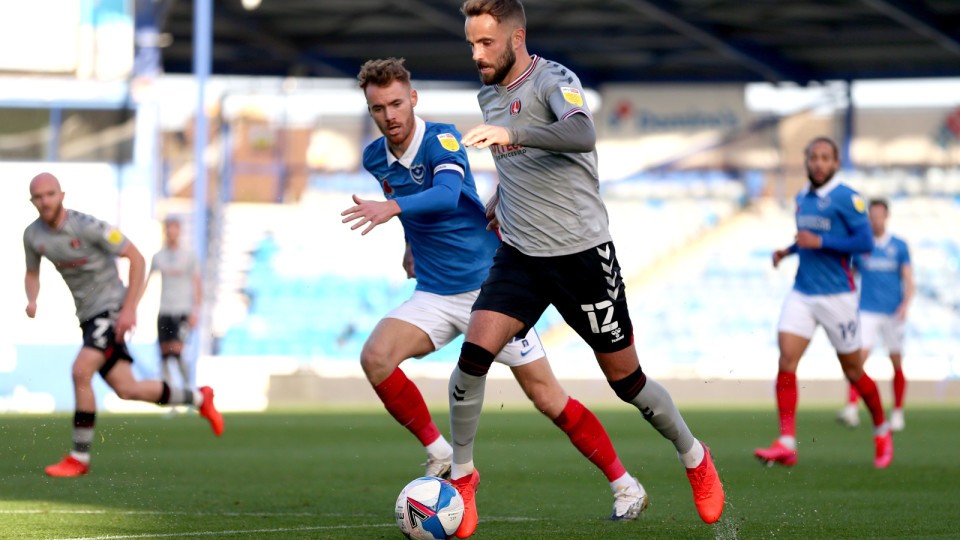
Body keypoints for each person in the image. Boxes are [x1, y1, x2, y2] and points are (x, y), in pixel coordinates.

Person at [446, 1, 725, 536]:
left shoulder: (555, 80)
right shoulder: (488, 95)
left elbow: (580, 135)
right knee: (473, 357)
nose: (476, 54)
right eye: (471, 44)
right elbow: (521, 165)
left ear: (516, 38)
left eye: (485, 43)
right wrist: (502, 197)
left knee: (628, 382)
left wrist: (511, 134)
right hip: (522, 257)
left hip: (582, 257)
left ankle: (694, 456)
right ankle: (462, 478)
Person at [341, 57, 647, 522]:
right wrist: (408, 245)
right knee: (375, 357)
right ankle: (441, 453)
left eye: (397, 103)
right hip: (435, 292)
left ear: (413, 99)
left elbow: (446, 194)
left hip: (491, 294)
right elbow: (411, 205)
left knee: (547, 398)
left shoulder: (442, 138)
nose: (390, 115)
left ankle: (625, 484)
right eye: (379, 108)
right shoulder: (374, 157)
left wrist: (392, 209)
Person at [23, 172, 223, 478]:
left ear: (61, 195)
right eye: (39, 197)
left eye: (50, 194)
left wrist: (129, 308)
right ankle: (199, 397)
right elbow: (32, 272)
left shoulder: (88, 227)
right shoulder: (33, 236)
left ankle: (79, 457)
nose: (45, 201)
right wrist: (32, 299)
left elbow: (136, 257)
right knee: (128, 389)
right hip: (88, 317)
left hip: (111, 309)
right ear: (32, 201)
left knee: (81, 371)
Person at [755, 137, 893, 469]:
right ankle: (787, 443)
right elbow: (806, 240)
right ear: (806, 161)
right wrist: (787, 251)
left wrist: (821, 241)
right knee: (787, 360)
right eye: (813, 157)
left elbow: (865, 242)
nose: (818, 163)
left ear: (835, 163)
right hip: (803, 291)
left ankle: (881, 429)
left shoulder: (848, 198)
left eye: (825, 157)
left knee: (853, 371)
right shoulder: (802, 197)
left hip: (838, 296)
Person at [837, 199, 913, 431]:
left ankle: (897, 412)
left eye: (879, 215)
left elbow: (908, 279)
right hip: (867, 311)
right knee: (858, 360)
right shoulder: (862, 246)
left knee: (896, 361)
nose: (876, 220)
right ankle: (851, 408)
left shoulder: (899, 246)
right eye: (872, 216)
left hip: (892, 312)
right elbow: (850, 276)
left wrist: (905, 305)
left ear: (886, 217)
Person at [144, 216, 202, 409]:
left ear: (180, 231)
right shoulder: (159, 256)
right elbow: (146, 282)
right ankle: (171, 401)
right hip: (164, 312)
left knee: (177, 353)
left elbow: (197, 284)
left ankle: (190, 392)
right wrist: (131, 305)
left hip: (182, 311)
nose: (171, 232)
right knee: (165, 356)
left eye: (175, 228)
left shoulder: (189, 256)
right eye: (169, 228)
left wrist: (196, 311)